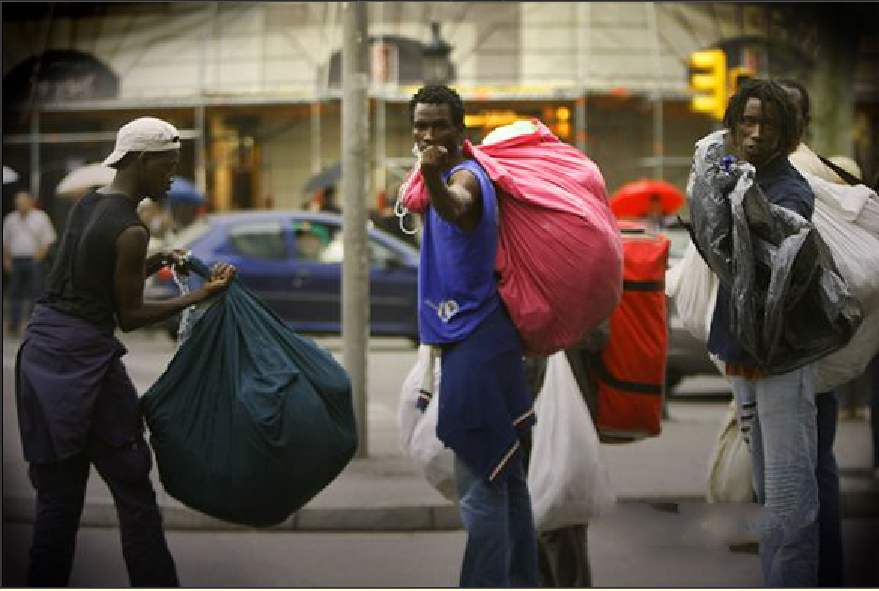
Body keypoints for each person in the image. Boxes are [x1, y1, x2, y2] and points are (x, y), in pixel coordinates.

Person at [15, 116, 236, 587]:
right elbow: (130, 315)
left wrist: (160, 259)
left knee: (58, 500)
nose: (171, 177)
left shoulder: (87, 206)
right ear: (140, 160)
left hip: (41, 357)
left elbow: (90, 272)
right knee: (134, 492)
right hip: (87, 367)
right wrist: (201, 295)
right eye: (167, 166)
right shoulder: (131, 230)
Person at [409, 85, 539, 587]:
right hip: (488, 339)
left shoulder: (467, 177)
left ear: (461, 130)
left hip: (476, 342)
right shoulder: (454, 173)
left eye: (440, 124)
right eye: (420, 125)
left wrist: (430, 176)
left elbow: (455, 206)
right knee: (508, 478)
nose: (428, 135)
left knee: (481, 482)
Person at [705, 79, 819, 587]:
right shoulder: (739, 173)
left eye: (768, 125)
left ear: (787, 134)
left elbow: (781, 240)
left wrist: (741, 199)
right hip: (747, 359)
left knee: (790, 501)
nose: (754, 133)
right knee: (769, 495)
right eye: (746, 121)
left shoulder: (789, 188)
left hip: (782, 361)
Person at [777, 78, 848, 587]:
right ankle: (830, 569)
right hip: (828, 341)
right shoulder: (836, 172)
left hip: (793, 344)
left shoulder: (787, 179)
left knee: (792, 473)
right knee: (820, 461)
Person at [3, 190, 56, 335]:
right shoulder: (10, 218)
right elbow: (5, 242)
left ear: (30, 202)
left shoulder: (40, 217)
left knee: (36, 292)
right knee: (15, 293)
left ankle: (34, 323)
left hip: (33, 259)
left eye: (23, 202)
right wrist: (6, 260)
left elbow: (48, 240)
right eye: (18, 203)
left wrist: (38, 257)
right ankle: (13, 323)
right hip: (16, 259)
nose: (20, 205)